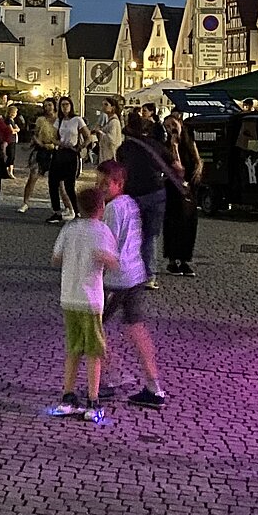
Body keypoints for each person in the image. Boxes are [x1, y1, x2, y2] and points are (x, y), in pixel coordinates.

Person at [96, 162, 167, 409]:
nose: (100, 188)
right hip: (135, 274)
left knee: (93, 326)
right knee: (136, 329)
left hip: (117, 279)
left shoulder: (113, 209)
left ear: (119, 184)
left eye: (106, 183)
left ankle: (110, 378)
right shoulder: (130, 204)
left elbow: (107, 245)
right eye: (98, 183)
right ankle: (153, 385)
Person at [49, 189, 118, 423]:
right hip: (91, 300)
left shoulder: (69, 229)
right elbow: (111, 260)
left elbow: (56, 258)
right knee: (94, 351)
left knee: (73, 348)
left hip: (69, 297)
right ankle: (92, 399)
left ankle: (67, 396)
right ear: (101, 208)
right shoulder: (102, 231)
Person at [118, 113, 183, 289]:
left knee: (131, 234)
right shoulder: (156, 145)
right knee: (150, 236)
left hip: (133, 194)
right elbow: (178, 167)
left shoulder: (123, 149)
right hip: (156, 192)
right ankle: (149, 276)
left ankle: (128, 272)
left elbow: (121, 173)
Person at [162, 112, 203, 277]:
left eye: (173, 124)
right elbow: (178, 168)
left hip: (190, 189)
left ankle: (185, 260)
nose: (172, 128)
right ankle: (172, 261)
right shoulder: (168, 145)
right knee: (173, 223)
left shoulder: (189, 141)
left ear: (180, 123)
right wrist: (174, 147)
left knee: (189, 222)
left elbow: (197, 160)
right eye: (168, 126)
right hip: (174, 189)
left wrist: (200, 166)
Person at [44, 96, 90, 225]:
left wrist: (80, 147)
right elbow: (52, 136)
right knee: (53, 182)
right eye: (62, 105)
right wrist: (57, 142)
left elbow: (88, 136)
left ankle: (77, 211)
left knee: (69, 186)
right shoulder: (59, 121)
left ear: (70, 106)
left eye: (66, 105)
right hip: (60, 152)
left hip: (71, 153)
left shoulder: (77, 120)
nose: (64, 107)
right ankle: (57, 212)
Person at [16, 107, 57, 215]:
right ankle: (25, 202)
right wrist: (34, 144)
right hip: (41, 149)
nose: (48, 108)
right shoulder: (40, 120)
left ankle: (60, 206)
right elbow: (35, 134)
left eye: (50, 105)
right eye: (46, 105)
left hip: (55, 150)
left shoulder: (59, 120)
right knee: (33, 176)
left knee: (57, 180)